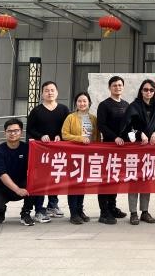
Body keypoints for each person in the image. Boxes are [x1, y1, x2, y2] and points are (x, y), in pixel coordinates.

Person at [26, 81, 70, 222]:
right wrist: (40, 136)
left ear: (57, 92)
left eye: (52, 90)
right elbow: (30, 129)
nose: (50, 93)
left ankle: (53, 205)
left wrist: (60, 136)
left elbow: (67, 128)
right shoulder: (36, 111)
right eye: (46, 90)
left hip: (58, 151)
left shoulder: (64, 109)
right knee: (42, 179)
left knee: (55, 178)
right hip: (42, 152)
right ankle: (39, 209)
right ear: (42, 94)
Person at [124, 79, 155, 225]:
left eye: (151, 90)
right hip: (135, 149)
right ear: (141, 91)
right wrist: (139, 132)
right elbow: (127, 126)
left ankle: (145, 211)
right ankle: (133, 212)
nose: (148, 92)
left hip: (149, 150)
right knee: (134, 180)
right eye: (145, 89)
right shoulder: (133, 106)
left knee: (146, 180)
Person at [0, 118, 36, 226]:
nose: (13, 133)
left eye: (16, 131)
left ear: (21, 132)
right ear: (5, 132)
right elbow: (2, 174)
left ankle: (25, 212)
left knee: (36, 185)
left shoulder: (28, 149)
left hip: (22, 185)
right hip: (1, 188)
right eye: (9, 131)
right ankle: (1, 209)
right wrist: (17, 190)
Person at [61, 91, 101, 224]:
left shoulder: (93, 118)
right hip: (74, 156)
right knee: (73, 184)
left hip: (88, 157)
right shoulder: (70, 117)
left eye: (84, 101)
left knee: (82, 184)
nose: (82, 103)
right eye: (79, 101)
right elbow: (64, 135)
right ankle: (73, 213)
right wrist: (80, 138)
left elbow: (97, 137)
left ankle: (80, 210)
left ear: (89, 103)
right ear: (76, 103)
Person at [96, 75, 130, 224]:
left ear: (123, 87)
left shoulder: (127, 104)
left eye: (120, 85)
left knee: (115, 178)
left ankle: (112, 207)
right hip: (108, 147)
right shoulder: (104, 105)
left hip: (122, 148)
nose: (117, 87)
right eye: (114, 85)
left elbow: (130, 124)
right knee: (106, 179)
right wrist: (114, 137)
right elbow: (101, 125)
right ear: (109, 88)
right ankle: (104, 212)